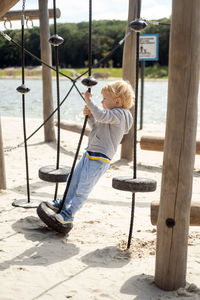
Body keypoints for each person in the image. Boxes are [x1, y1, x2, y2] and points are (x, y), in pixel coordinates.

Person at [47, 80, 134, 224]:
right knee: (73, 180)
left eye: (105, 99)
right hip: (89, 153)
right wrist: (90, 116)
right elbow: (96, 126)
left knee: (84, 186)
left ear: (118, 101)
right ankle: (63, 203)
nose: (102, 101)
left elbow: (101, 115)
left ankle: (70, 213)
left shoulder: (120, 114)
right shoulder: (111, 114)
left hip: (100, 159)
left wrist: (90, 102)